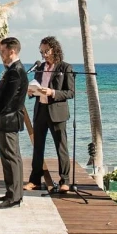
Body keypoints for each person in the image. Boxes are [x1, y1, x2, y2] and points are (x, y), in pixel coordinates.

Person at [27, 36, 75, 192]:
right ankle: (34, 180)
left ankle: (65, 181)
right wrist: (31, 91)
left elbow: (70, 92)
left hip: (57, 112)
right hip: (40, 110)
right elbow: (36, 86)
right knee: (38, 147)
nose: (44, 54)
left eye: (46, 51)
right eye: (41, 51)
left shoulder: (65, 67)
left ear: (54, 49)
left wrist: (52, 92)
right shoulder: (40, 67)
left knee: (61, 147)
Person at [0, 37, 28, 210]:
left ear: (12, 51)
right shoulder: (13, 69)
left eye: (3, 51)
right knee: (9, 158)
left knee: (11, 158)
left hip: (8, 119)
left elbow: (6, 99)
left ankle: (14, 196)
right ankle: (12, 191)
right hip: (6, 120)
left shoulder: (15, 71)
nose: (1, 54)